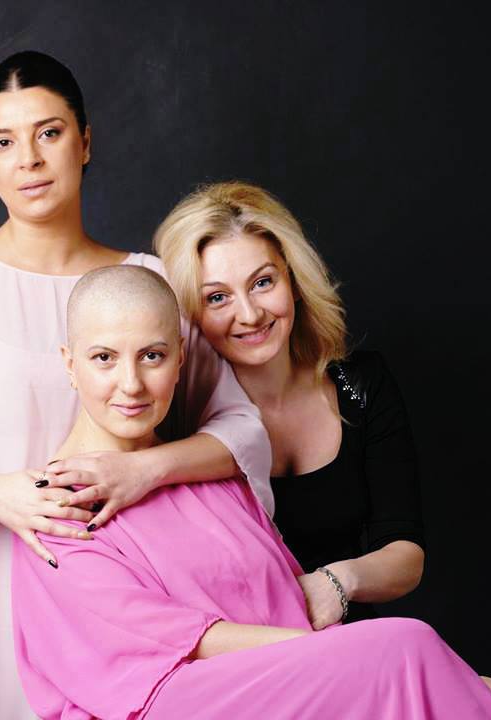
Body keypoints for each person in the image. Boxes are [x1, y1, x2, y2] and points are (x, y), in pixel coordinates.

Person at [0, 51, 270, 720]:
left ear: (84, 142)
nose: (28, 159)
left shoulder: (149, 281)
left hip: (111, 604)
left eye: (48, 133)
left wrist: (142, 472)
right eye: (3, 142)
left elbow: (242, 431)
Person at [11, 264, 491, 719]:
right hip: (177, 700)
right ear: (70, 364)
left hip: (298, 685)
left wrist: (351, 662)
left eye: (152, 356)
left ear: (180, 359)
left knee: (430, 672)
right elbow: (172, 642)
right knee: (404, 647)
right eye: (104, 359)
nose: (131, 384)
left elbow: (290, 602)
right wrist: (351, 659)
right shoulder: (53, 510)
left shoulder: (215, 477)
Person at [155, 181, 424, 628]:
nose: (250, 314)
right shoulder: (172, 415)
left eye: (263, 282)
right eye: (217, 297)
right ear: (189, 313)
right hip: (240, 654)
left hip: (352, 637)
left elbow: (405, 554)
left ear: (294, 281)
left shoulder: (361, 384)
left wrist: (339, 581)